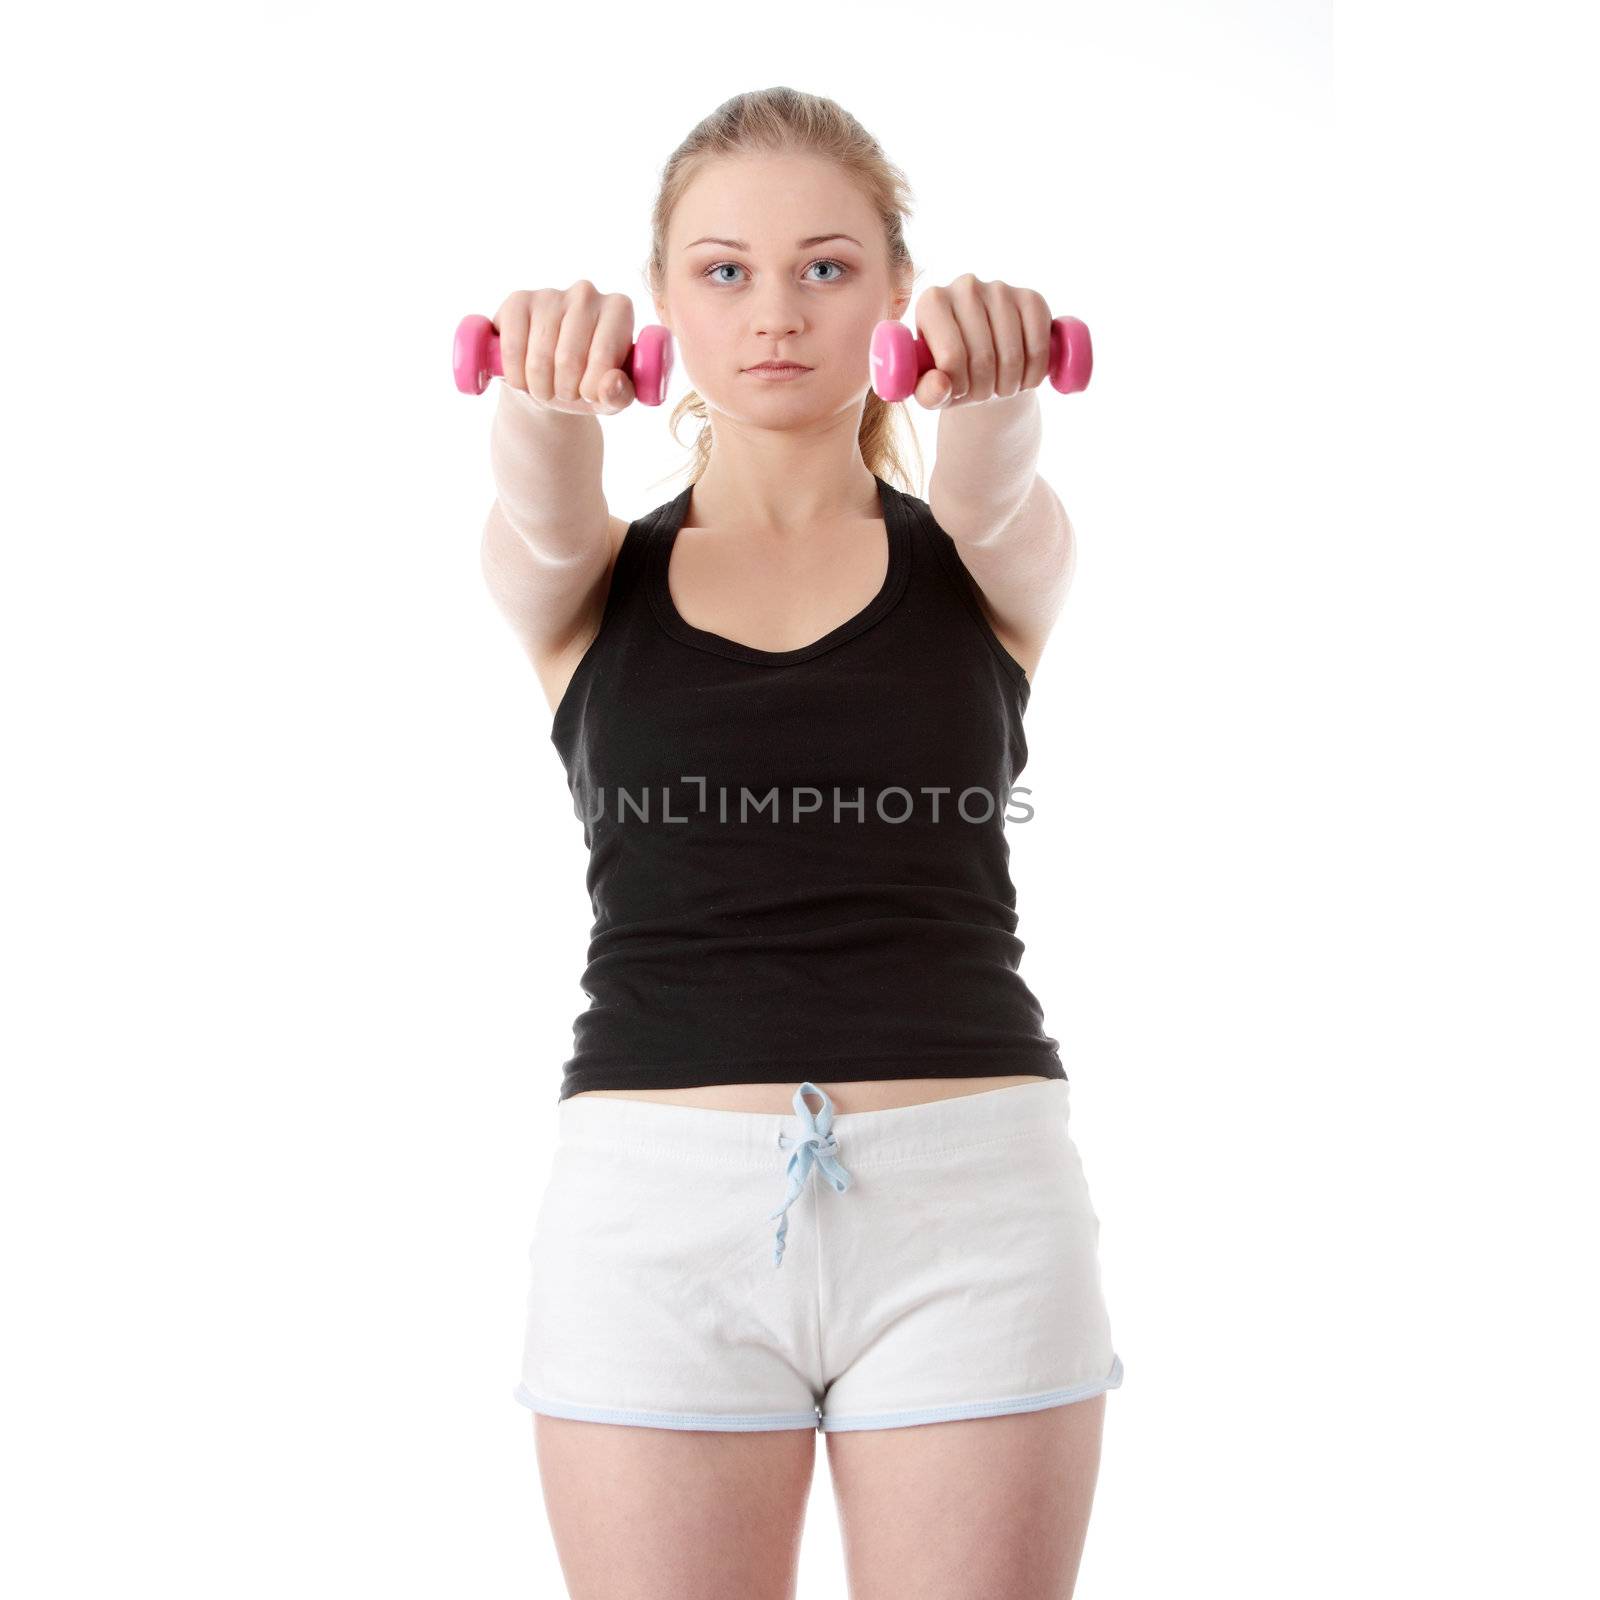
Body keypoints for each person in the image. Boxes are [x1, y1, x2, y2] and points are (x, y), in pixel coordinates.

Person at [479, 85, 1123, 1600]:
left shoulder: (982, 561)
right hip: (654, 1219)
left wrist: (999, 382)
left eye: (827, 268)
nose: (776, 310)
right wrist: (536, 391)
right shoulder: (584, 584)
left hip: (974, 1208)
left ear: (898, 295)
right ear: (661, 310)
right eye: (724, 270)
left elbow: (995, 482)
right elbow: (542, 507)